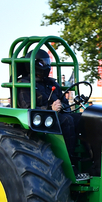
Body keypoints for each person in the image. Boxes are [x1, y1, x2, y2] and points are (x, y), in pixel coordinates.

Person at [16, 48, 88, 181]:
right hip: (40, 120)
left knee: (85, 118)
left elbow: (65, 103)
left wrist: (62, 106)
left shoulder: (51, 83)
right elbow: (26, 108)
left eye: (48, 62)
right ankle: (69, 165)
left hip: (56, 115)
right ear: (36, 65)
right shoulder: (24, 85)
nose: (47, 65)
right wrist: (50, 108)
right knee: (66, 121)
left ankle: (90, 163)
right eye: (44, 62)